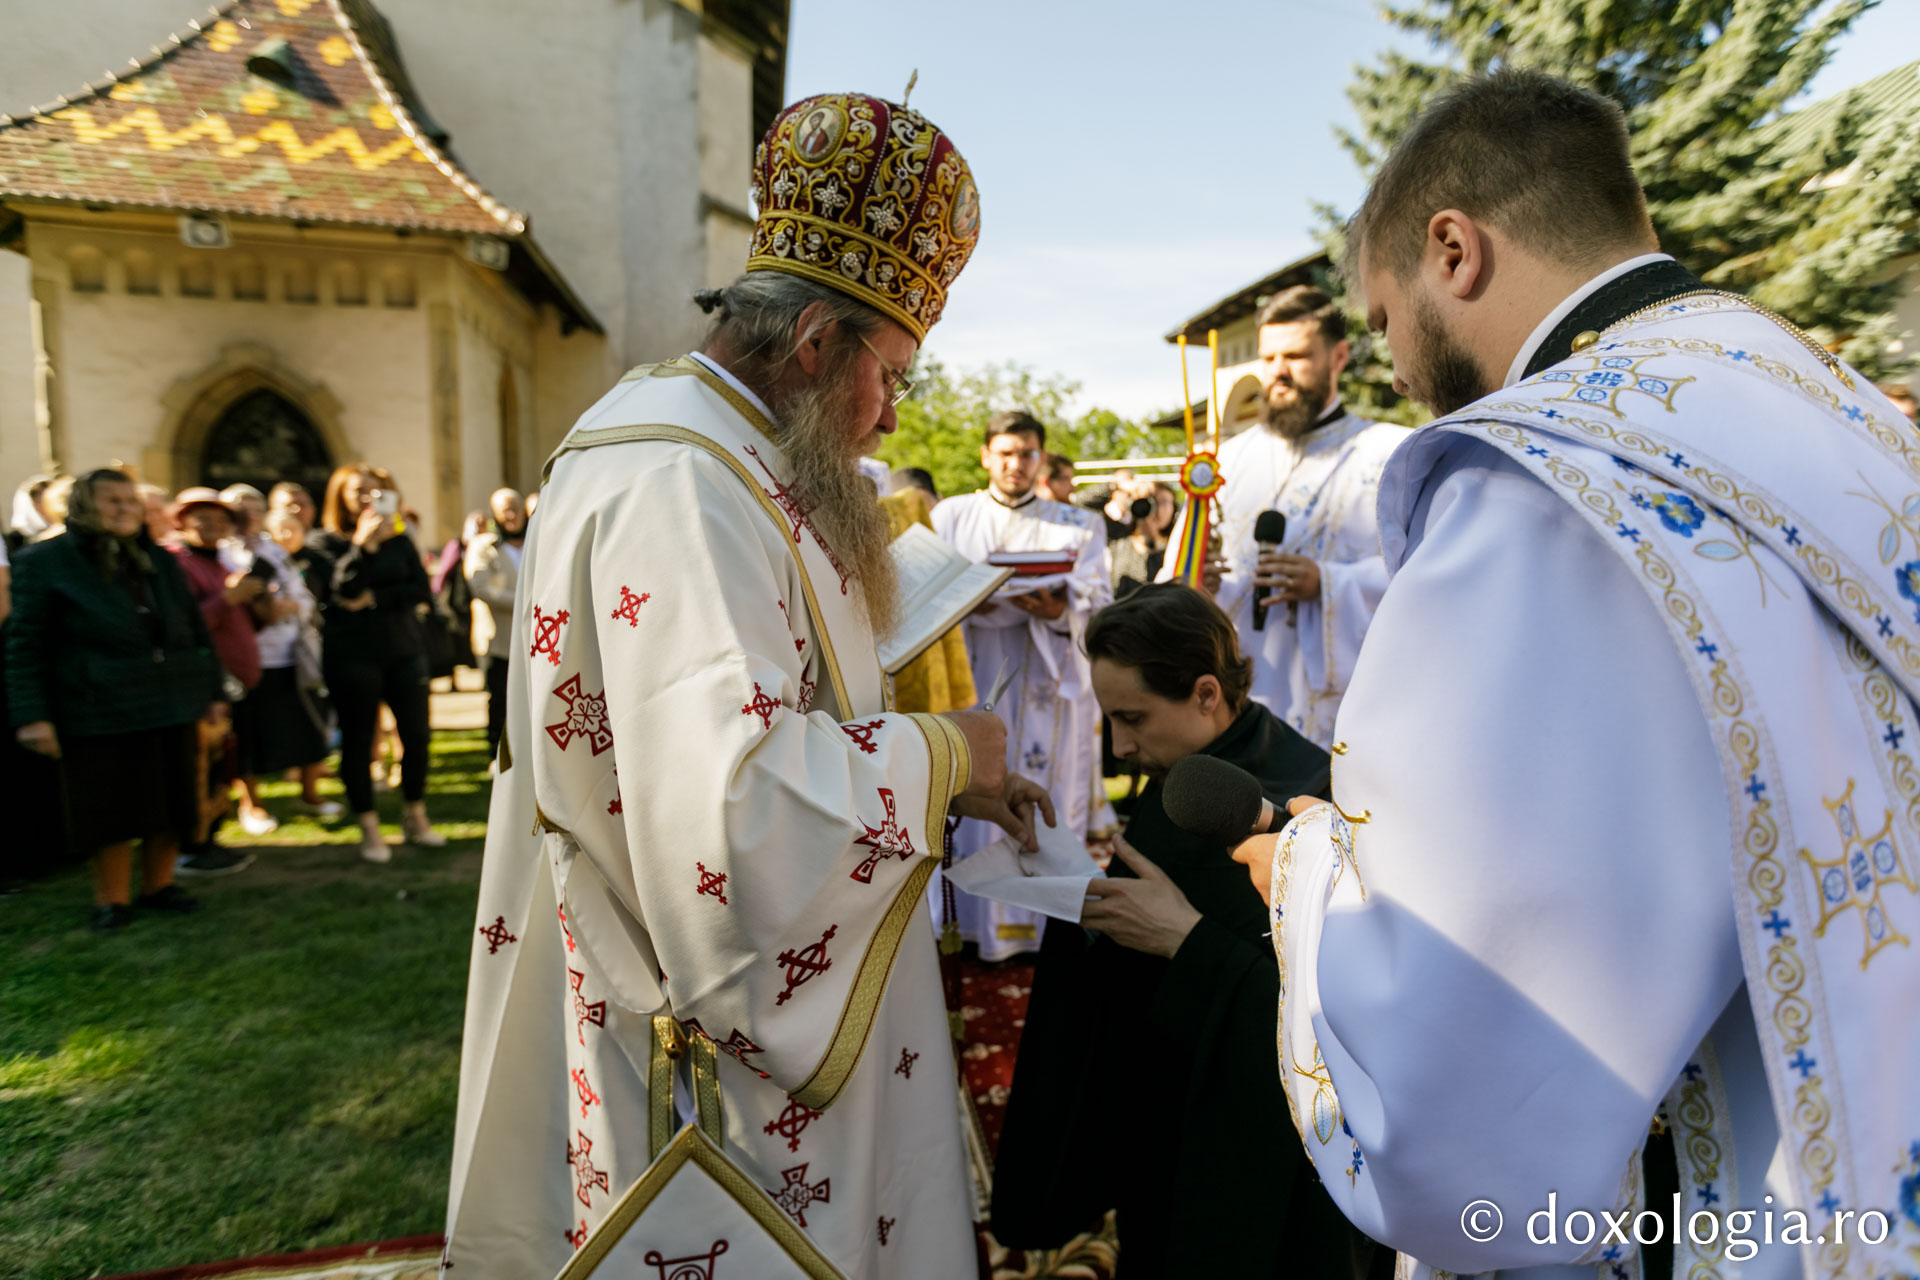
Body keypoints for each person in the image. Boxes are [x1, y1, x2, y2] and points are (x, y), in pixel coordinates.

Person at [1235, 71, 1920, 1278]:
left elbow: (1461, 1108)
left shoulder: (1547, 479)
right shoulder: (1841, 404)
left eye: (1385, 318)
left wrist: (1299, 881)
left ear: (1454, 249)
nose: (1397, 364)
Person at [443, 92, 1041, 1280]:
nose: (884, 419)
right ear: (818, 342)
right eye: (894, 379)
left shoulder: (708, 440)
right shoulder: (689, 482)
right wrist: (947, 754)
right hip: (707, 1040)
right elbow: (728, 810)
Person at [992, 584, 1382, 1276]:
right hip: (1170, 1148)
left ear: (1206, 694)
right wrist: (1056, 875)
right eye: (1109, 720)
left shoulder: (1314, 799)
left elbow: (1343, 1026)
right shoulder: (1186, 779)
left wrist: (1187, 943)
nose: (1120, 746)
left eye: (1133, 718)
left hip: (1270, 1192)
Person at [1160, 286, 1408, 748]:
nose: (1278, 373)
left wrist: (1328, 582)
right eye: (1268, 357)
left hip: (1342, 709)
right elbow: (1176, 577)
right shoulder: (1222, 463)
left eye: (1296, 356)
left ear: (1338, 357)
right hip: (1236, 697)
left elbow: (1421, 578)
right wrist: (1198, 586)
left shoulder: (1391, 454)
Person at [8, 470, 227, 930]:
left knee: (171, 801)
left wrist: (212, 692)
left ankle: (158, 886)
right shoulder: (45, 562)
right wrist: (33, 716)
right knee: (111, 808)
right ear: (84, 505)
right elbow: (24, 644)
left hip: (170, 700)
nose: (125, 508)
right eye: (112, 500)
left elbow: (194, 629)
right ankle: (111, 900)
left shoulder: (160, 561)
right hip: (97, 706)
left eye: (130, 499)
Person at [932, 410, 1113, 959]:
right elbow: (923, 590)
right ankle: (974, 926)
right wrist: (969, 598)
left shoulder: (1077, 524)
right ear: (987, 455)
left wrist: (1060, 606)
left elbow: (1098, 600)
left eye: (1027, 453)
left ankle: (1043, 926)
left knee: (1046, 786)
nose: (1016, 464)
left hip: (1047, 677)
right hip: (974, 665)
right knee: (975, 786)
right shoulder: (950, 517)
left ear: (1040, 457)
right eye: (1006, 452)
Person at [307, 465, 441, 862]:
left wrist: (375, 599)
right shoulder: (323, 542)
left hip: (403, 649)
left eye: (376, 491)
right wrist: (362, 548)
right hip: (352, 655)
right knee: (359, 739)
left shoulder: (400, 540)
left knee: (416, 736)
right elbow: (338, 593)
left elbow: (420, 589)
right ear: (341, 497)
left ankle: (415, 814)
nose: (368, 498)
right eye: (359, 491)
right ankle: (368, 825)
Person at [220, 484, 336, 826]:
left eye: (255, 507)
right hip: (249, 657)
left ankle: (309, 793)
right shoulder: (224, 553)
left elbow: (303, 597)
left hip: (289, 654)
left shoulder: (273, 549)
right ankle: (251, 803)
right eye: (239, 508)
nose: (248, 514)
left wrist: (288, 606)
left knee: (305, 727)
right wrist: (264, 608)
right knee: (249, 733)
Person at [166, 487, 262, 878]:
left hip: (234, 684)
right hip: (206, 685)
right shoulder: (178, 564)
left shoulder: (220, 562)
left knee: (225, 762)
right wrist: (230, 597)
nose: (211, 527)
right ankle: (193, 845)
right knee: (200, 766)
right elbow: (187, 625)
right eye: (201, 519)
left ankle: (211, 837)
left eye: (220, 520)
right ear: (183, 521)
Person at [462, 488, 525, 753]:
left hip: (536, 636)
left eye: (514, 507)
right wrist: (528, 602)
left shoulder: (538, 541)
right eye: (503, 509)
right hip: (500, 636)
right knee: (500, 698)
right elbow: (483, 588)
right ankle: (496, 752)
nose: (510, 515)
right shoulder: (484, 546)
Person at [1108, 481, 1176, 599]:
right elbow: (1084, 503)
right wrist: (1119, 486)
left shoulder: (1178, 549)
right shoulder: (1116, 542)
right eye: (1151, 501)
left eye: (1164, 502)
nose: (1157, 508)